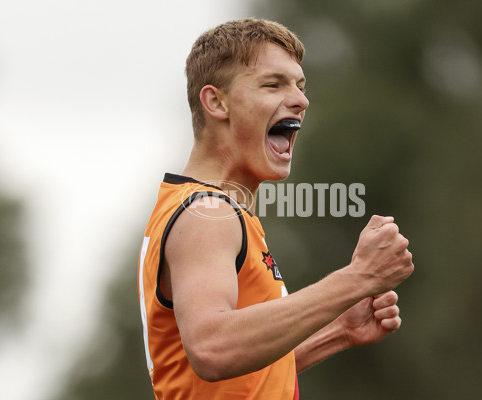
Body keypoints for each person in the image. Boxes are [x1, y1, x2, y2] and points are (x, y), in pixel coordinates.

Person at [137, 18, 414, 400]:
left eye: (300, 86)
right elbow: (212, 349)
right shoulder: (208, 215)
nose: (302, 100)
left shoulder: (212, 208)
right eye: (273, 84)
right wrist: (358, 278)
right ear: (216, 102)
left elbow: (227, 378)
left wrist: (336, 332)